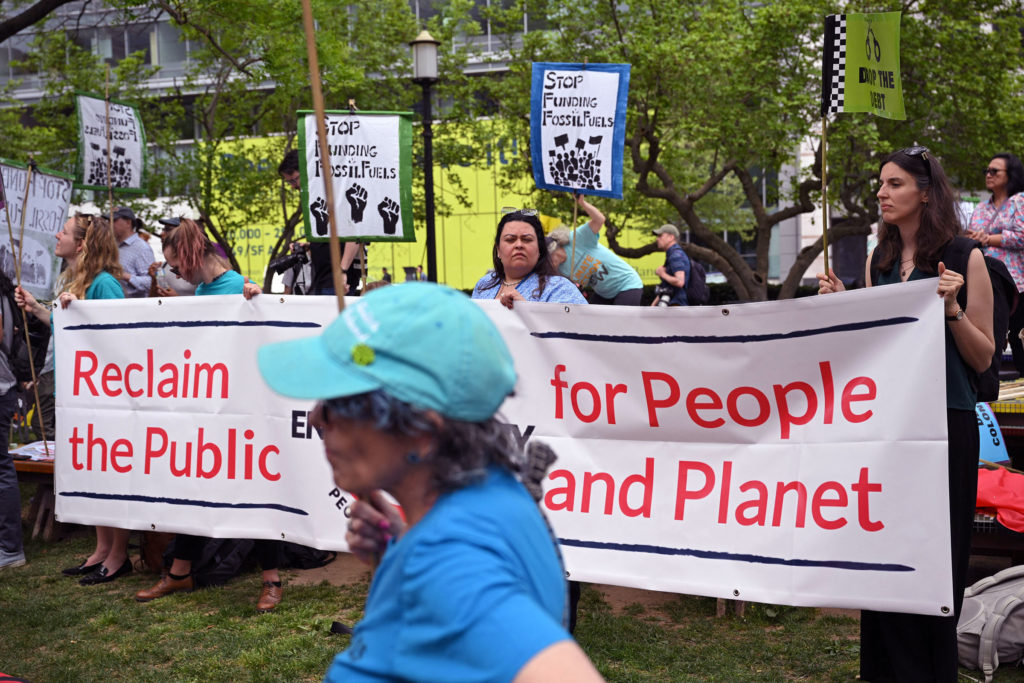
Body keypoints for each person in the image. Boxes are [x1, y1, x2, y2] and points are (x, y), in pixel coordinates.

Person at [256, 283, 604, 682]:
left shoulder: (445, 562)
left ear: (422, 427)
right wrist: (399, 551)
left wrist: (423, 564)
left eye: (339, 402)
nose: (316, 418)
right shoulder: (497, 490)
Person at [817, 147, 994, 682]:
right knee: (885, 557)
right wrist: (843, 304)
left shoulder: (967, 256)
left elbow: (984, 356)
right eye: (880, 184)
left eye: (894, 183)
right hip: (890, 428)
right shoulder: (878, 258)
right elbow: (878, 344)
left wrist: (952, 310)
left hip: (946, 425)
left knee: (935, 561)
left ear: (925, 190)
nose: (882, 193)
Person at [132, 218, 280, 610]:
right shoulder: (202, 289)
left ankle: (272, 580)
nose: (176, 272)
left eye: (176, 264)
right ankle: (179, 573)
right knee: (195, 488)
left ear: (192, 255)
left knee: (255, 492)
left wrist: (260, 299)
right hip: (212, 409)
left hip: (245, 411)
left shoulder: (241, 286)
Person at [16, 214, 128, 583]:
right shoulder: (79, 281)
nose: (56, 234)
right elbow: (71, 331)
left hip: (101, 396)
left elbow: (116, 339)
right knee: (91, 474)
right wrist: (36, 308)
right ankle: (101, 548)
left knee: (108, 476)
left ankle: (118, 554)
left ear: (82, 244)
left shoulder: (105, 284)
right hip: (77, 394)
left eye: (63, 231)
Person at [966, 153, 1024, 374]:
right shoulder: (981, 208)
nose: (988, 175)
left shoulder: (1020, 202)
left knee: (1019, 337)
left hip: (1017, 283)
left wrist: (988, 238)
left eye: (994, 171)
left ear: (1011, 175)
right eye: (986, 171)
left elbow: (1022, 236)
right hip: (986, 281)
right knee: (991, 336)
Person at [278, 150, 365, 296]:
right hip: (321, 278)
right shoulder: (318, 197)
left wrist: (342, 270)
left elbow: (355, 234)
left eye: (294, 180)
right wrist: (310, 245)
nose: (293, 186)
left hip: (338, 280)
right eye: (289, 182)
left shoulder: (337, 195)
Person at [472, 209, 586, 308]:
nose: (519, 245)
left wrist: (526, 310)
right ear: (498, 250)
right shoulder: (484, 285)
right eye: (510, 239)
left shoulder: (560, 288)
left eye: (527, 239)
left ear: (540, 249)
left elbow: (582, 328)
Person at [547, 195, 643, 305]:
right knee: (591, 319)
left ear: (554, 248)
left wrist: (582, 203)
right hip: (604, 293)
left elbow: (599, 220)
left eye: (548, 258)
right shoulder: (560, 270)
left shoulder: (576, 238)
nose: (548, 263)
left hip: (626, 284)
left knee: (621, 321)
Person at [111, 207, 155, 298]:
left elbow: (151, 283)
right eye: (109, 220)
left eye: (114, 220)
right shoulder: (112, 245)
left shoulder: (142, 248)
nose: (110, 224)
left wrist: (125, 276)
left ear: (128, 222)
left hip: (135, 307)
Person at [650, 224, 690, 307]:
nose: (657, 239)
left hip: (676, 305)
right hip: (672, 305)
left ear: (671, 237)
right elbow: (667, 287)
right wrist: (652, 306)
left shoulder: (675, 255)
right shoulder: (672, 254)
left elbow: (679, 281)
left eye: (660, 236)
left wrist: (662, 274)